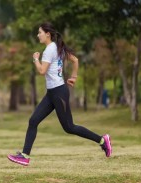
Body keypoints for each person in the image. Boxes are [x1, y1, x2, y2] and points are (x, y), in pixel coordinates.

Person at [7, 22, 112, 166]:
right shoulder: (57, 47)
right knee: (33, 121)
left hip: (58, 92)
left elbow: (42, 71)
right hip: (52, 93)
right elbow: (75, 60)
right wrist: (74, 76)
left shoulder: (49, 50)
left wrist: (35, 59)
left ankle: (102, 140)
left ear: (47, 34)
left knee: (69, 127)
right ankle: (24, 155)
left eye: (40, 32)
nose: (38, 35)